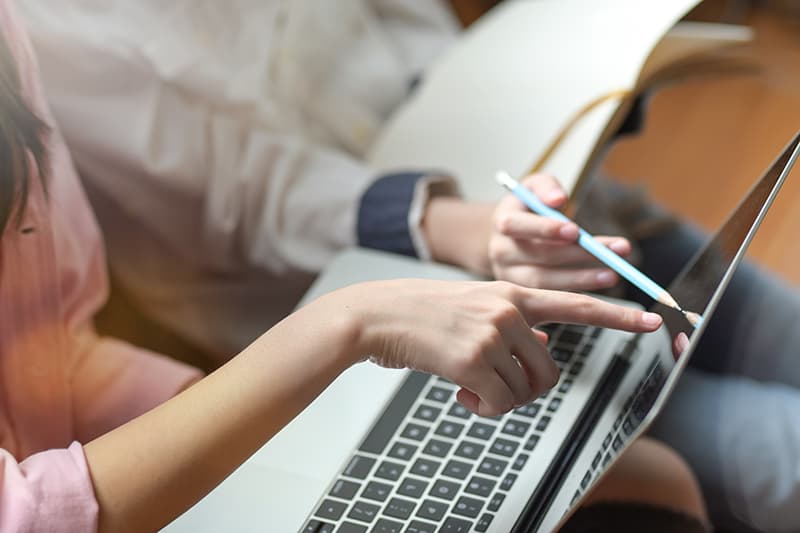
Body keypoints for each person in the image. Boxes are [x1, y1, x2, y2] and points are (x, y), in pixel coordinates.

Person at [17, 1, 798, 531]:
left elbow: (56, 349)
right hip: (374, 289)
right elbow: (240, 193)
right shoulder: (38, 30)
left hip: (540, 197)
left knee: (769, 332)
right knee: (765, 455)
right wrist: (421, 237)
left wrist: (564, 88)